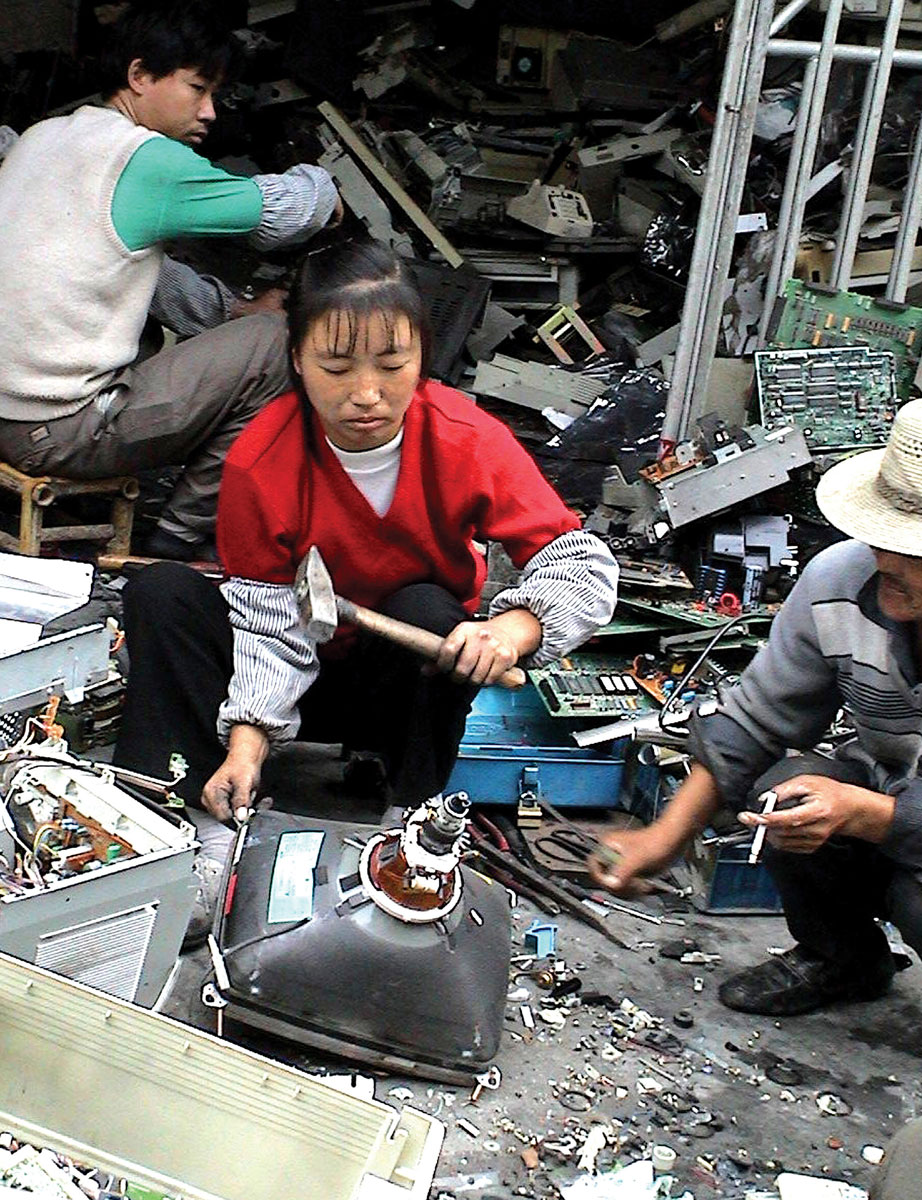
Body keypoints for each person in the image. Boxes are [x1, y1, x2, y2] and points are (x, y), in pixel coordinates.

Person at [111, 238, 620, 823]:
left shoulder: (466, 438)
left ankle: (412, 818)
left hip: (400, 688)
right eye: (336, 367)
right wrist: (248, 745)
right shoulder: (260, 459)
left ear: (422, 355)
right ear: (298, 359)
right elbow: (267, 623)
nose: (366, 394)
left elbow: (581, 563)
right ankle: (180, 811)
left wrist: (512, 629)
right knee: (161, 594)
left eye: (392, 364)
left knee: (428, 609)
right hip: (281, 680)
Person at [593, 398, 922, 1017]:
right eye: (881, 536)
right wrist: (663, 836)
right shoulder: (840, 579)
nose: (884, 561)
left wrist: (874, 815)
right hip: (895, 792)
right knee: (788, 790)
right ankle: (842, 958)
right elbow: (754, 723)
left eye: (909, 548)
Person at [0, 1, 341, 560]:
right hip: (54, 432)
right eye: (197, 89)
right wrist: (325, 189)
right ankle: (175, 541)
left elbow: (124, 267)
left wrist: (229, 311)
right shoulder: (149, 160)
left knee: (179, 332)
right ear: (138, 77)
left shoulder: (45, 137)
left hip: (9, 414)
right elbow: (283, 213)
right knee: (280, 346)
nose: (209, 113)